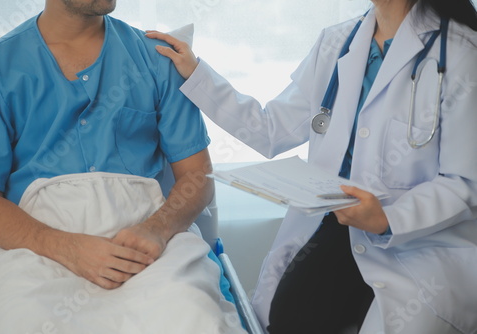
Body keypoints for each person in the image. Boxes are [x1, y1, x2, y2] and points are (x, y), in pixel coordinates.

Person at [147, 0, 477, 333]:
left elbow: (464, 182)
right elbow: (270, 129)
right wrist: (197, 72)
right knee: (289, 319)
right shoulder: (337, 42)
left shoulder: (461, 54)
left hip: (417, 239)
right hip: (336, 224)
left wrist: (388, 218)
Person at [0, 0, 214, 290]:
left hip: (148, 247)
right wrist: (66, 248)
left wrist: (157, 229)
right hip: (35, 251)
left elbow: (198, 176)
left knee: (193, 317)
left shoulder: (158, 60)